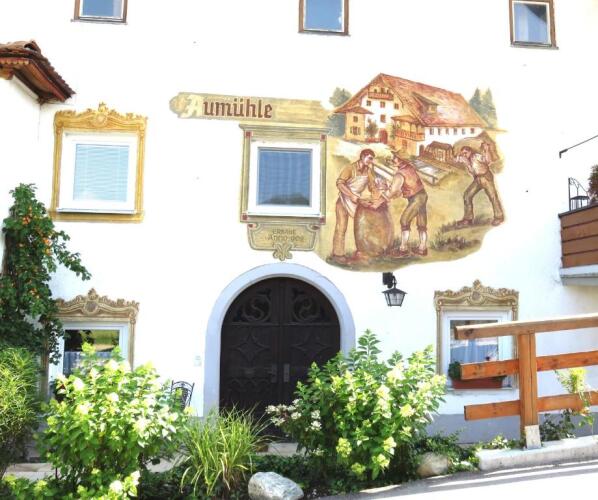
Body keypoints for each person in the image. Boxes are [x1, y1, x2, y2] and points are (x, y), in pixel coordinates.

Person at [331, 148, 379, 263]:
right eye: (369, 158)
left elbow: (372, 186)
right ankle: (338, 254)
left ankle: (362, 252)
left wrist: (376, 198)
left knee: (362, 227)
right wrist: (351, 195)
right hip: (344, 200)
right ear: (362, 157)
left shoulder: (368, 171)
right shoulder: (350, 168)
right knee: (341, 227)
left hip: (357, 202)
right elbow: (340, 183)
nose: (371, 161)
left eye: (372, 159)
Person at [382, 152, 428, 256]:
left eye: (395, 157)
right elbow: (402, 189)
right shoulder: (409, 167)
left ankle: (403, 249)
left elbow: (393, 191)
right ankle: (422, 248)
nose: (393, 159)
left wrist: (384, 195)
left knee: (404, 221)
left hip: (416, 198)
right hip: (422, 195)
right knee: (421, 223)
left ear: (401, 160)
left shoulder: (400, 174)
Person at [455, 142, 504, 227]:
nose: (464, 155)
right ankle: (468, 219)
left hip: (486, 177)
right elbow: (471, 170)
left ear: (470, 152)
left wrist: (487, 150)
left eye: (465, 153)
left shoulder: (477, 156)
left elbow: (488, 161)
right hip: (478, 179)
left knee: (493, 196)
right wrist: (461, 160)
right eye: (463, 154)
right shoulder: (466, 160)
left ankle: (499, 217)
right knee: (467, 195)